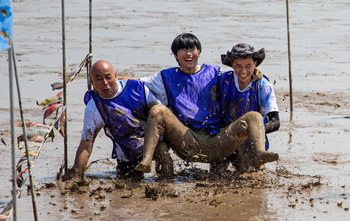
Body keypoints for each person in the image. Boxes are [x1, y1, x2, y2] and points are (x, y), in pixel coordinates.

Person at [135, 33, 278, 174]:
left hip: (221, 139)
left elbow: (274, 121)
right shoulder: (165, 77)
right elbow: (136, 84)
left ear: (199, 52)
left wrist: (254, 76)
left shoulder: (219, 75)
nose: (243, 70)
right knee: (158, 111)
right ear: (175, 55)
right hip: (186, 137)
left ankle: (259, 154)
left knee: (254, 117)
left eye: (192, 49)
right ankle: (146, 161)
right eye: (183, 50)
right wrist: (119, 81)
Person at [63, 59, 173, 181]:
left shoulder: (137, 88)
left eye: (108, 77)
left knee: (162, 151)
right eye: (99, 79)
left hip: (152, 142)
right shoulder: (94, 107)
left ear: (115, 76)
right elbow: (85, 146)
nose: (105, 83)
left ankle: (168, 183)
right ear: (92, 82)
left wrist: (159, 128)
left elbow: (160, 112)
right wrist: (76, 177)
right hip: (127, 154)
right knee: (127, 185)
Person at [216, 43, 280, 171]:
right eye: (238, 66)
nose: (243, 71)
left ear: (255, 63)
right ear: (232, 64)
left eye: (248, 66)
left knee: (252, 173)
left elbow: (275, 122)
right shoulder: (222, 81)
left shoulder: (263, 86)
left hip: (251, 142)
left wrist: (252, 132)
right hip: (225, 137)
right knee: (216, 172)